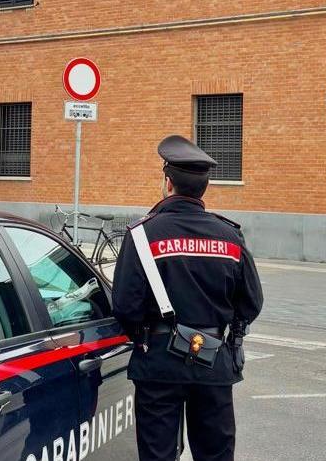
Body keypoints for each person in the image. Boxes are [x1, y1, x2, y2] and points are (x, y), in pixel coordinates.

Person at [112, 135, 264, 461]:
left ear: (168, 183)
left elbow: (125, 305)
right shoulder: (230, 236)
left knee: (157, 455)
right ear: (204, 188)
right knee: (215, 454)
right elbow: (251, 301)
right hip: (212, 360)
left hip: (158, 362)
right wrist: (232, 334)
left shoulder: (141, 235)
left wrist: (142, 339)